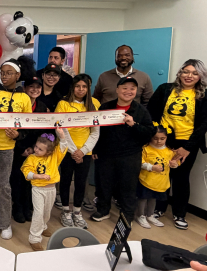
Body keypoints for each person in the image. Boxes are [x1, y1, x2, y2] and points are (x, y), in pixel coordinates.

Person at [0, 57, 35, 240]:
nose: (4, 76)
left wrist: (18, 135)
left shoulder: (24, 98)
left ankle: (4, 223)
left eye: (9, 73)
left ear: (18, 75)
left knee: (3, 185)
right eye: (2, 73)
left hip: (6, 146)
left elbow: (27, 125)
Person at [147, 59, 207, 230]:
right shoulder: (165, 89)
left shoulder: (203, 95)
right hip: (163, 140)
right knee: (162, 174)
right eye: (186, 71)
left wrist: (187, 148)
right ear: (180, 73)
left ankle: (180, 214)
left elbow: (204, 124)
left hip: (188, 143)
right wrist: (158, 136)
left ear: (200, 76)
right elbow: (151, 112)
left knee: (181, 178)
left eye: (195, 73)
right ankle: (158, 209)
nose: (189, 76)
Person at [92, 77, 154, 225]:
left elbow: (149, 132)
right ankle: (103, 210)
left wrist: (134, 124)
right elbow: (97, 131)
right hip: (106, 154)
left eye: (132, 88)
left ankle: (127, 216)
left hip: (130, 155)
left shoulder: (141, 110)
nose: (128, 91)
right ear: (117, 90)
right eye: (124, 88)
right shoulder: (106, 107)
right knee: (103, 183)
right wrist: (95, 149)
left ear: (136, 91)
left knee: (128, 186)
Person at [55, 74, 100, 229]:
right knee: (66, 181)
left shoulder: (93, 105)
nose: (81, 89)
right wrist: (74, 151)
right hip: (67, 151)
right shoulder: (63, 104)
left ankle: (77, 212)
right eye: (78, 86)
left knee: (81, 183)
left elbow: (95, 132)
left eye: (84, 87)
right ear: (72, 88)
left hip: (85, 153)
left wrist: (83, 151)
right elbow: (61, 129)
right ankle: (65, 211)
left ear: (88, 88)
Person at [22, 129, 75, 251]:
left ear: (49, 152)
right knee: (38, 212)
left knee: (47, 212)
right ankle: (34, 238)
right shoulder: (31, 158)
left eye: (40, 149)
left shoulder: (54, 156)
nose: (36, 150)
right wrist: (39, 176)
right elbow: (26, 172)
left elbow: (63, 146)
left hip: (51, 189)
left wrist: (62, 135)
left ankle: (43, 226)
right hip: (38, 189)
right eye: (36, 147)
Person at [11, 76, 48, 223]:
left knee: (30, 180)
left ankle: (27, 208)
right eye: (31, 86)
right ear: (25, 88)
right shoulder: (17, 103)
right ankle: (17, 208)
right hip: (17, 149)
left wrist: (33, 149)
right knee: (17, 179)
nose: (35, 90)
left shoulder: (42, 107)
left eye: (38, 87)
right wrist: (21, 149)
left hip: (34, 150)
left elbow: (43, 131)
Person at [135, 125, 179, 229]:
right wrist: (151, 167)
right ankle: (140, 215)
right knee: (143, 198)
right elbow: (140, 162)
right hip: (146, 180)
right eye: (155, 138)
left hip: (160, 181)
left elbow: (175, 162)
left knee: (153, 198)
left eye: (162, 138)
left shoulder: (169, 151)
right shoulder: (146, 149)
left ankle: (150, 215)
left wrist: (174, 164)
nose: (159, 141)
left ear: (167, 138)